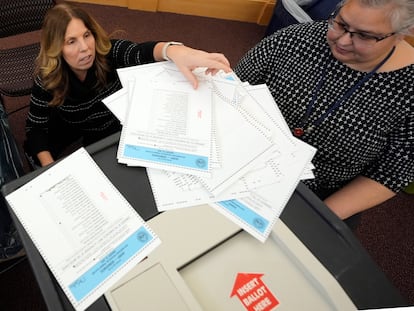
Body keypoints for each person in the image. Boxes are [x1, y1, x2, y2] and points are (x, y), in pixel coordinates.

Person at [234, 0, 414, 226]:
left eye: (365, 36)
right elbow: (233, 90)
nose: (342, 40)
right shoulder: (295, 39)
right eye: (340, 23)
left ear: (403, 33)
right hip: (242, 157)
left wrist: (314, 218)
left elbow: (391, 174)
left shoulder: (407, 89)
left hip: (316, 193)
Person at [24, 1, 231, 168]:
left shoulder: (109, 52)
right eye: (71, 41)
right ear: (56, 48)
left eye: (87, 35)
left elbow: (141, 53)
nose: (85, 48)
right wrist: (49, 168)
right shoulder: (47, 79)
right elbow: (35, 128)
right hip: (71, 125)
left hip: (112, 127)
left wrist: (174, 50)